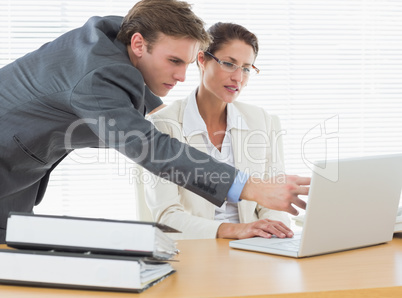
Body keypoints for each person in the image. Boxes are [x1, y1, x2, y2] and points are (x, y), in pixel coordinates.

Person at [0, 0, 310, 243]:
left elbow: (142, 113)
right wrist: (249, 187)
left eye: (187, 63)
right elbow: (150, 147)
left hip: (15, 178)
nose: (181, 76)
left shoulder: (118, 39)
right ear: (138, 44)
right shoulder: (96, 78)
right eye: (174, 61)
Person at [140, 22, 295, 240]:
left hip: (254, 245)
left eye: (246, 68)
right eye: (229, 64)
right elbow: (167, 216)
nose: (238, 78)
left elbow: (272, 202)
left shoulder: (262, 121)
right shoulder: (163, 125)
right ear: (202, 60)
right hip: (197, 248)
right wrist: (233, 231)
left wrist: (272, 231)